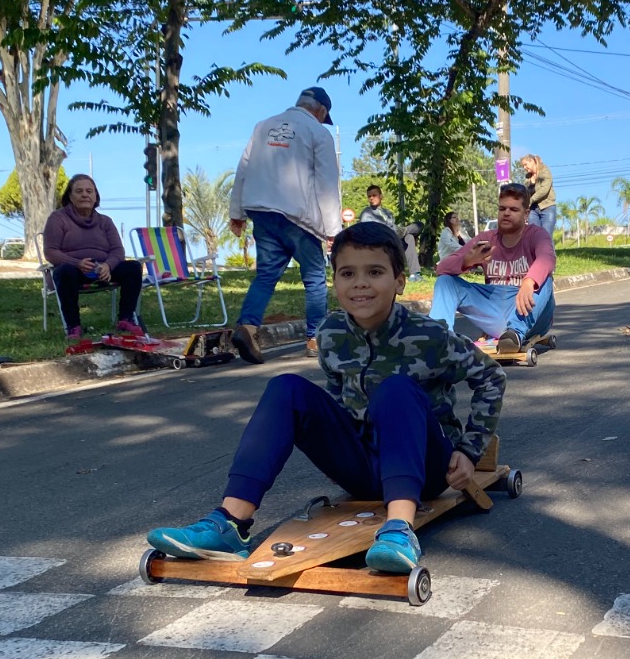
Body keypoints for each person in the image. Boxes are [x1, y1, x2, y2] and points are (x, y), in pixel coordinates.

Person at [146, 222, 505, 572]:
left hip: (426, 467)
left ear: (399, 280)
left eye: (375, 272)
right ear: (335, 281)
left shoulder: (430, 335)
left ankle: (399, 530)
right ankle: (231, 523)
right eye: (347, 273)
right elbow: (338, 402)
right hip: (366, 469)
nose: (360, 283)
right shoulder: (331, 333)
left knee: (393, 390)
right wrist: (335, 444)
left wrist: (470, 450)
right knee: (285, 387)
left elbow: (491, 376)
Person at [227, 87, 342, 362]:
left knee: (266, 275)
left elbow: (243, 169)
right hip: (298, 216)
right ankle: (314, 338)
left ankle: (248, 326)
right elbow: (327, 184)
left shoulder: (263, 126)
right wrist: (333, 231)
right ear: (321, 111)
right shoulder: (318, 132)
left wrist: (237, 212)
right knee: (314, 278)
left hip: (261, 211)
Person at [431, 183, 556, 353]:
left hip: (530, 312)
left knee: (545, 280)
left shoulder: (536, 234)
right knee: (445, 281)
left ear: (526, 214)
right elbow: (441, 268)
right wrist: (466, 262)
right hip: (494, 306)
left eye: (513, 209)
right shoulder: (485, 239)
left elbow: (547, 258)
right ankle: (439, 340)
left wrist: (529, 281)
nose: (506, 213)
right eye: (502, 208)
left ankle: (515, 334)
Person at [42, 174, 144, 338]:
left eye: (89, 191)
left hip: (103, 271)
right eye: (79, 191)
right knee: (64, 271)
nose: (85, 195)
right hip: (75, 272)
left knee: (133, 267)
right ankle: (73, 327)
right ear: (70, 196)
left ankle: (126, 319)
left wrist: (108, 266)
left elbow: (118, 250)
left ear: (96, 196)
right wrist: (77, 263)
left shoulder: (105, 221)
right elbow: (51, 251)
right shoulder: (57, 218)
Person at [357, 184, 423, 277]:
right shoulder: (366, 213)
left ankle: (415, 274)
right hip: (381, 241)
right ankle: (404, 231)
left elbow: (392, 225)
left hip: (394, 238)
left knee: (411, 235)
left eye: (374, 195)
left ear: (381, 196)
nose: (371, 198)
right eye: (369, 196)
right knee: (414, 228)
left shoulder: (388, 213)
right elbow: (369, 231)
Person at [520, 154, 557, 235]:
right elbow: (525, 192)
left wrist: (530, 200)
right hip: (533, 210)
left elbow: (544, 190)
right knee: (534, 236)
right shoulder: (527, 177)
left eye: (525, 165)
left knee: (546, 237)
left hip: (547, 207)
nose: (524, 168)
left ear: (532, 161)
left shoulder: (545, 170)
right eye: (523, 166)